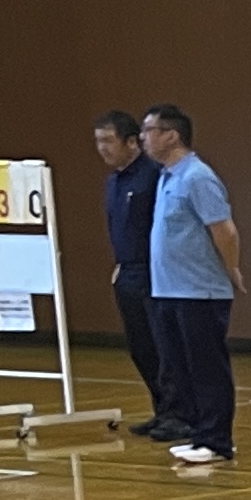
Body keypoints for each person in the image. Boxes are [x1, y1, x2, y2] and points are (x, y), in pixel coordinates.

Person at [139, 104, 245, 468]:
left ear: (171, 135)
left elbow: (224, 230)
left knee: (206, 369)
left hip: (198, 292)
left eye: (149, 130)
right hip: (168, 291)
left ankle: (217, 440)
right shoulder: (166, 177)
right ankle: (200, 433)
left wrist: (231, 268)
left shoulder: (197, 177)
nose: (143, 138)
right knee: (180, 368)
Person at [90, 111, 172, 438]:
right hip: (126, 273)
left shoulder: (153, 176)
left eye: (108, 141)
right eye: (98, 141)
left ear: (131, 141)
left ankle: (178, 413)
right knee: (141, 349)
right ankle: (161, 410)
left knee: (164, 348)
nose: (102, 148)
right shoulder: (114, 181)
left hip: (153, 273)